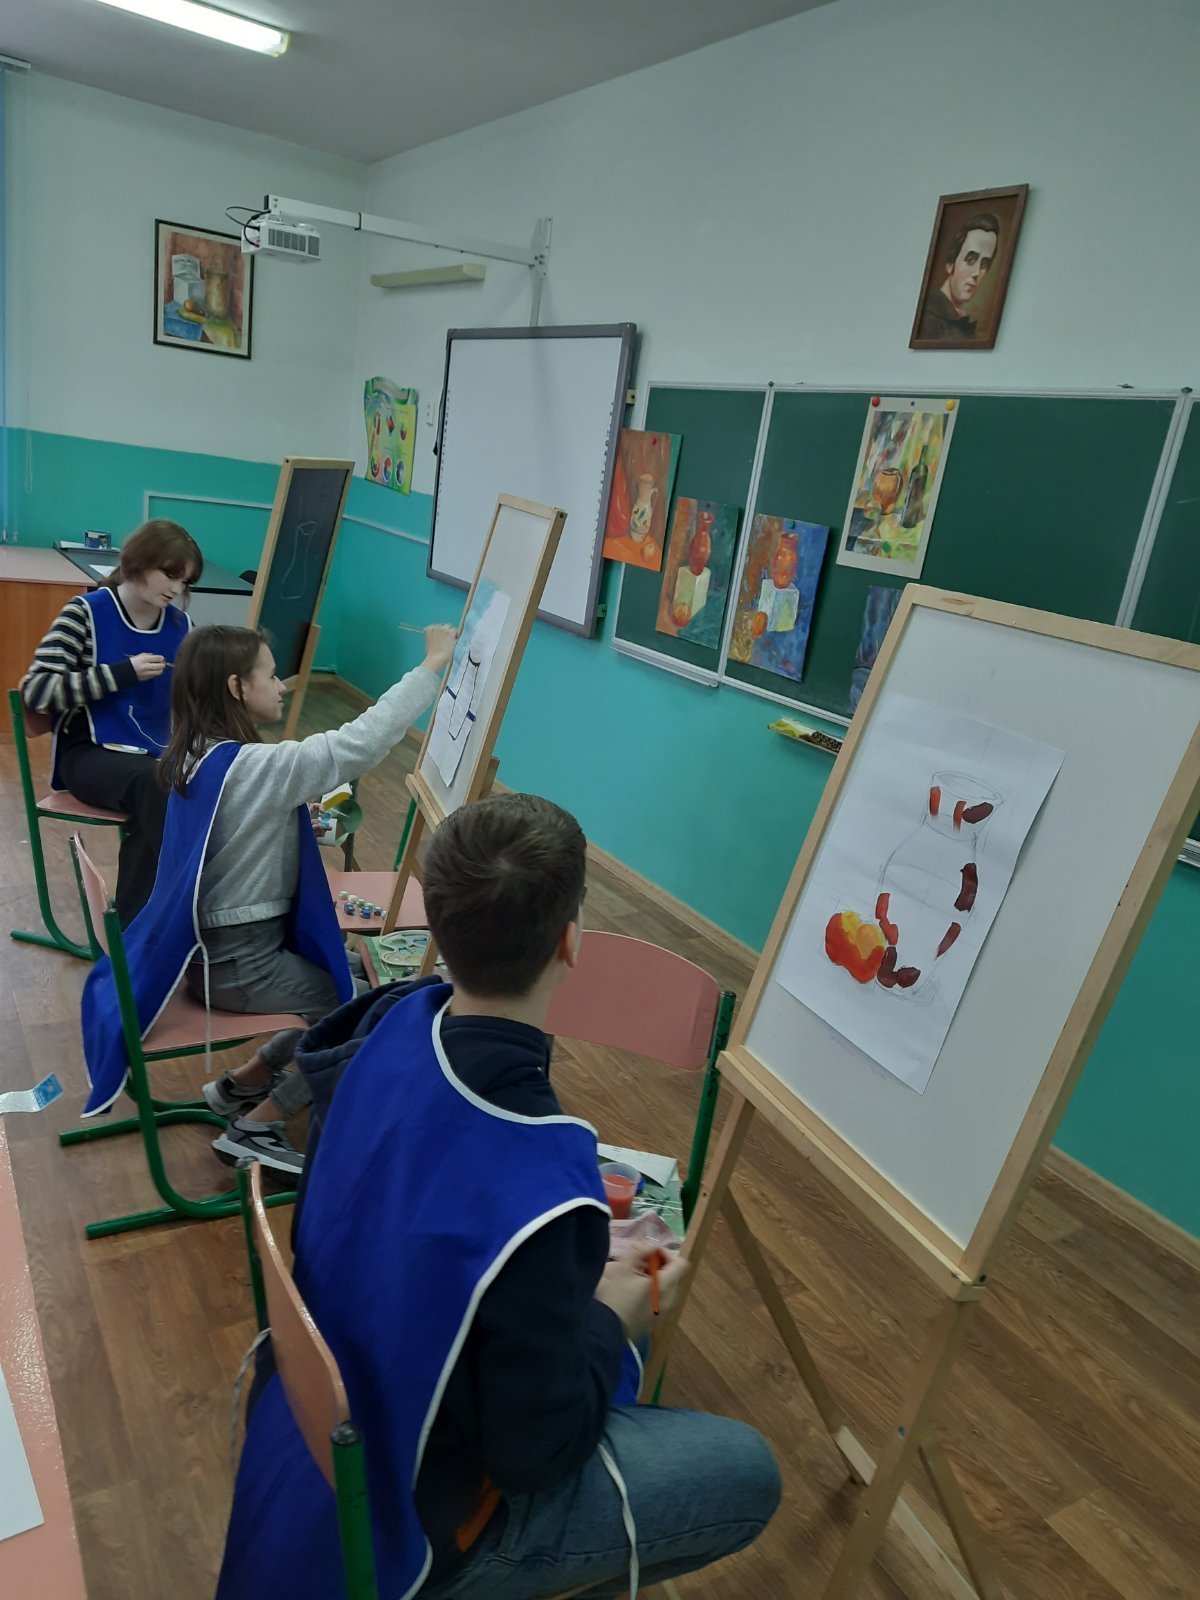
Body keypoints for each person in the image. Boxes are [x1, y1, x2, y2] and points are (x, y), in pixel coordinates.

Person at [216, 793, 781, 1600]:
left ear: (438, 928)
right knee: (747, 1469)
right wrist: (614, 1316)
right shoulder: (547, 1184)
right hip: (418, 1530)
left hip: (306, 1458)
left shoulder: (383, 1033)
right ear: (571, 941)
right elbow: (532, 1454)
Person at [79, 621, 457, 1174]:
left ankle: (243, 1081)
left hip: (213, 955)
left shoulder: (195, 754)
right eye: (271, 675)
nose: (281, 686)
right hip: (241, 964)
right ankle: (256, 1126)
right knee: (370, 1013)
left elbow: (238, 832)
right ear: (237, 687)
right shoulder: (255, 767)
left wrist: (294, 824)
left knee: (354, 973)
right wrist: (431, 666)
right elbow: (359, 742)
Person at [21, 519, 203, 924]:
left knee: (189, 783)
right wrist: (122, 674)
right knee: (159, 784)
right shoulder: (85, 613)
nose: (176, 588)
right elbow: (37, 690)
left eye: (185, 581)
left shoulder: (182, 628)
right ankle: (179, 911)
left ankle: (138, 924)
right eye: (170, 574)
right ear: (140, 562)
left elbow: (193, 701)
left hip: (153, 758)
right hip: (88, 755)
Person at [916, 210, 1000, 342]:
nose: (976, 273)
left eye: (984, 264)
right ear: (950, 264)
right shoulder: (928, 318)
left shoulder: (958, 322)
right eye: (971, 259)